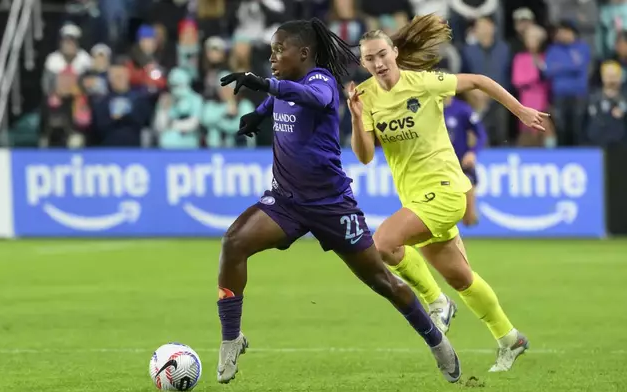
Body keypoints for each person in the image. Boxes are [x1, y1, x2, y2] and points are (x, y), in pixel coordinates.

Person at [216, 18, 461, 385]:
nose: (272, 58)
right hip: (286, 201)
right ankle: (232, 339)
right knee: (233, 242)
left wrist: (266, 85)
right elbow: (278, 97)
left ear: (303, 53)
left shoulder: (322, 83)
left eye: (279, 51)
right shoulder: (286, 85)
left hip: (332, 206)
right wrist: (260, 112)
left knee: (381, 281)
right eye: (270, 52)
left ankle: (435, 339)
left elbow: (309, 97)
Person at [348, 14, 548, 372]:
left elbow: (480, 81)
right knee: (461, 278)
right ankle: (509, 338)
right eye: (369, 58)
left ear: (394, 52)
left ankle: (436, 302)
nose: (377, 63)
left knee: (383, 243)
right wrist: (355, 116)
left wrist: (519, 109)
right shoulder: (364, 96)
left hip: (447, 190)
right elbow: (364, 157)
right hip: (415, 200)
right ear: (363, 62)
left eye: (381, 54)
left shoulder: (424, 83)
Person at [444, 94, 487, 226]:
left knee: (469, 219)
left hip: (462, 164)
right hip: (440, 167)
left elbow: (481, 135)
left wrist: (472, 153)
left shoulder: (462, 109)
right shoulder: (427, 109)